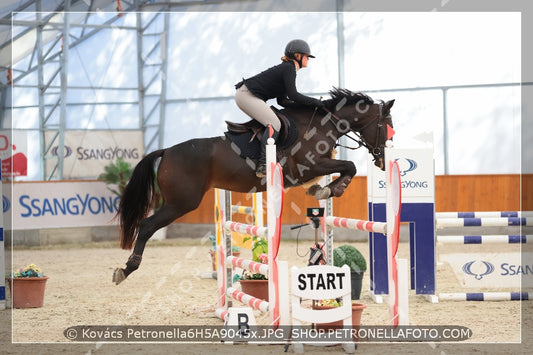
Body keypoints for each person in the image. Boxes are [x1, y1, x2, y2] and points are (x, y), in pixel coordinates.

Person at [235, 39, 324, 178]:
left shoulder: (287, 69)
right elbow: (294, 95)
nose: (308, 59)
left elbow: (282, 101)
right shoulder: (289, 68)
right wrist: (313, 102)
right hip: (246, 95)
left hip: (247, 95)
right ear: (297, 56)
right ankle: (263, 164)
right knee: (274, 123)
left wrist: (304, 107)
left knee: (273, 122)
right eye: (307, 56)